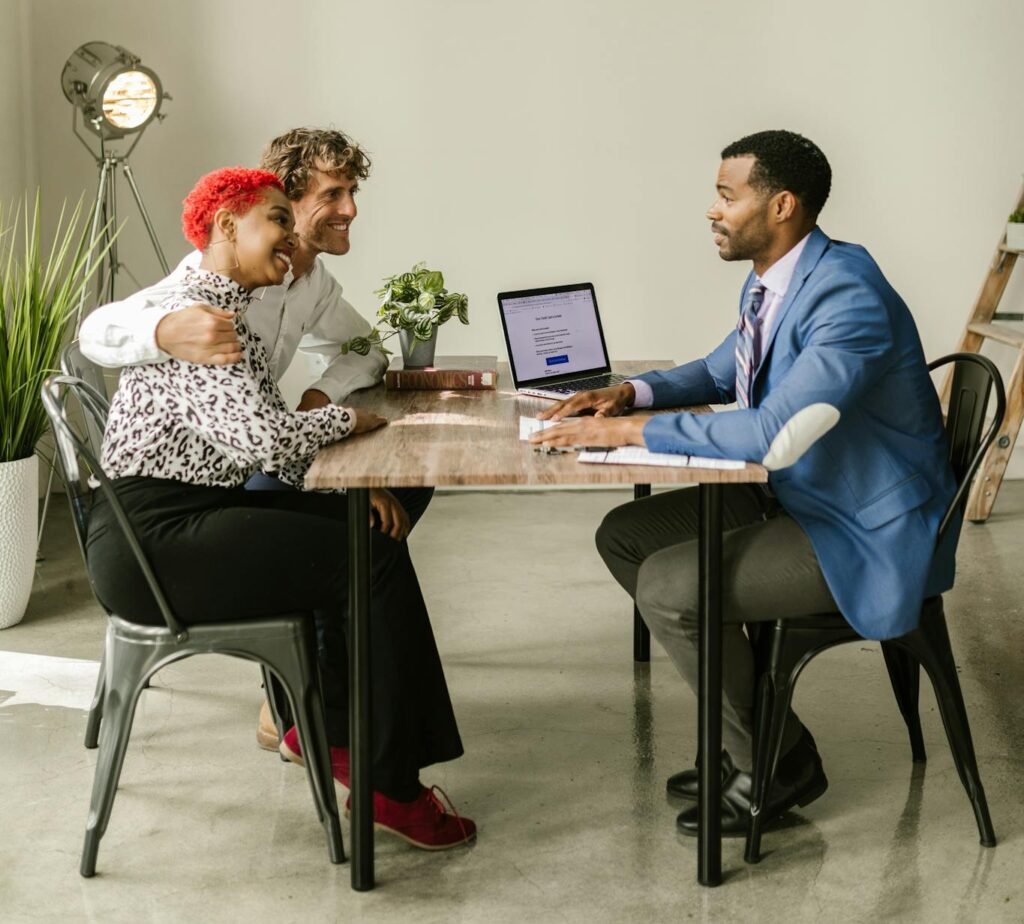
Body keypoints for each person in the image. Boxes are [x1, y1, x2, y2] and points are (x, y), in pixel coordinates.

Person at [530, 130, 957, 837]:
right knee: (626, 536)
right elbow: (720, 369)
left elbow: (771, 430)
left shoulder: (846, 295)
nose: (712, 210)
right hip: (803, 492)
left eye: (727, 196)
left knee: (669, 587)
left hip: (862, 527)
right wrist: (628, 395)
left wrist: (627, 435)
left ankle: (772, 762)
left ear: (781, 205)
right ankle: (763, 737)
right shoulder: (780, 280)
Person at [87, 167, 475, 850]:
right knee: (370, 560)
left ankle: (333, 734)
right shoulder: (199, 318)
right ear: (225, 225)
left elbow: (260, 433)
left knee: (369, 533)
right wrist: (346, 422)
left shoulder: (230, 307)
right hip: (156, 544)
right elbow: (265, 439)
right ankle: (390, 785)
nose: (292, 239)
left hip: (179, 519)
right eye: (277, 221)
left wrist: (352, 484)